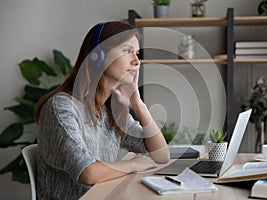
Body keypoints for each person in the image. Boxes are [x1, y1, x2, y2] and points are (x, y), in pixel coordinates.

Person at [34, 21, 170, 199]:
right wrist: (135, 164)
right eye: (127, 51)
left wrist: (138, 105)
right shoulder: (61, 108)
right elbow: (88, 173)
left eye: (137, 53)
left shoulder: (110, 111)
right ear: (97, 56)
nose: (137, 61)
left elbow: (161, 155)